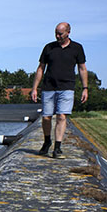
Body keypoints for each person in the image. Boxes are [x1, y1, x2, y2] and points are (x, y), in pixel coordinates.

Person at [31, 22, 87, 158]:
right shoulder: (49, 47)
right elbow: (40, 68)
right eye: (56, 33)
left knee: (62, 116)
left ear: (68, 33)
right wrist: (34, 88)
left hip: (67, 87)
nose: (57, 36)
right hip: (49, 87)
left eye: (60, 34)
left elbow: (82, 68)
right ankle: (46, 142)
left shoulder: (77, 48)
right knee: (46, 117)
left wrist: (85, 88)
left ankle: (57, 148)